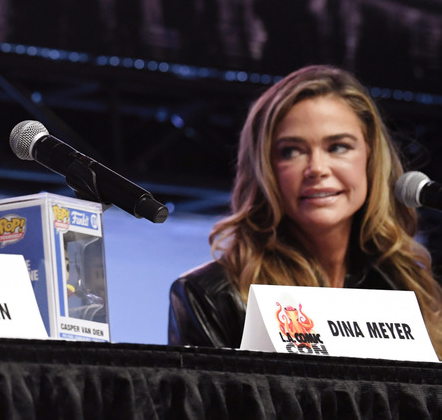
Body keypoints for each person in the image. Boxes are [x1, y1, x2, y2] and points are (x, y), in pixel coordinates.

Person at [168, 65, 442, 358]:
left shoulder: (406, 286)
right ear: (265, 169)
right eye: (291, 151)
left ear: (370, 157)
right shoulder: (213, 296)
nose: (317, 169)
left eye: (338, 147)